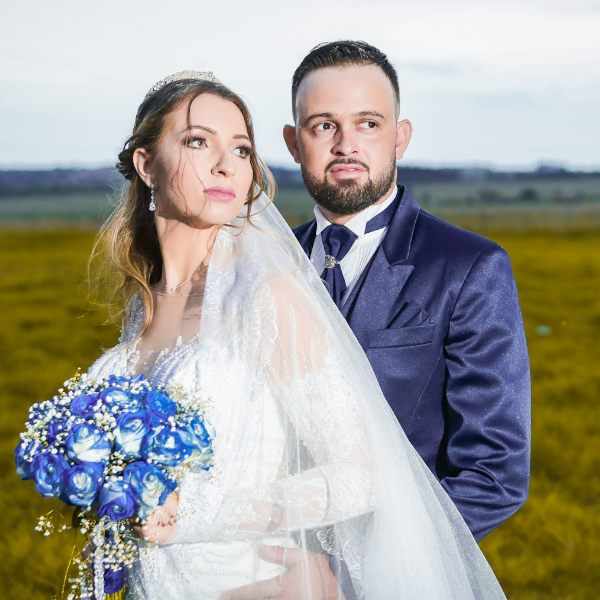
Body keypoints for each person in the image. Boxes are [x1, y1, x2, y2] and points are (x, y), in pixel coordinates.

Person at [87, 70, 508, 600]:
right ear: (146, 165)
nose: (225, 163)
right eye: (198, 141)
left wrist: (341, 577)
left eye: (241, 149)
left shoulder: (266, 292)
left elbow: (373, 475)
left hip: (255, 581)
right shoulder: (141, 306)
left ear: (400, 135)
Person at [285, 41, 531, 541]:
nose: (346, 145)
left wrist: (359, 576)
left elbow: (494, 474)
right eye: (324, 125)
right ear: (294, 142)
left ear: (400, 138)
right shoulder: (268, 263)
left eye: (368, 124)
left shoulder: (471, 267)